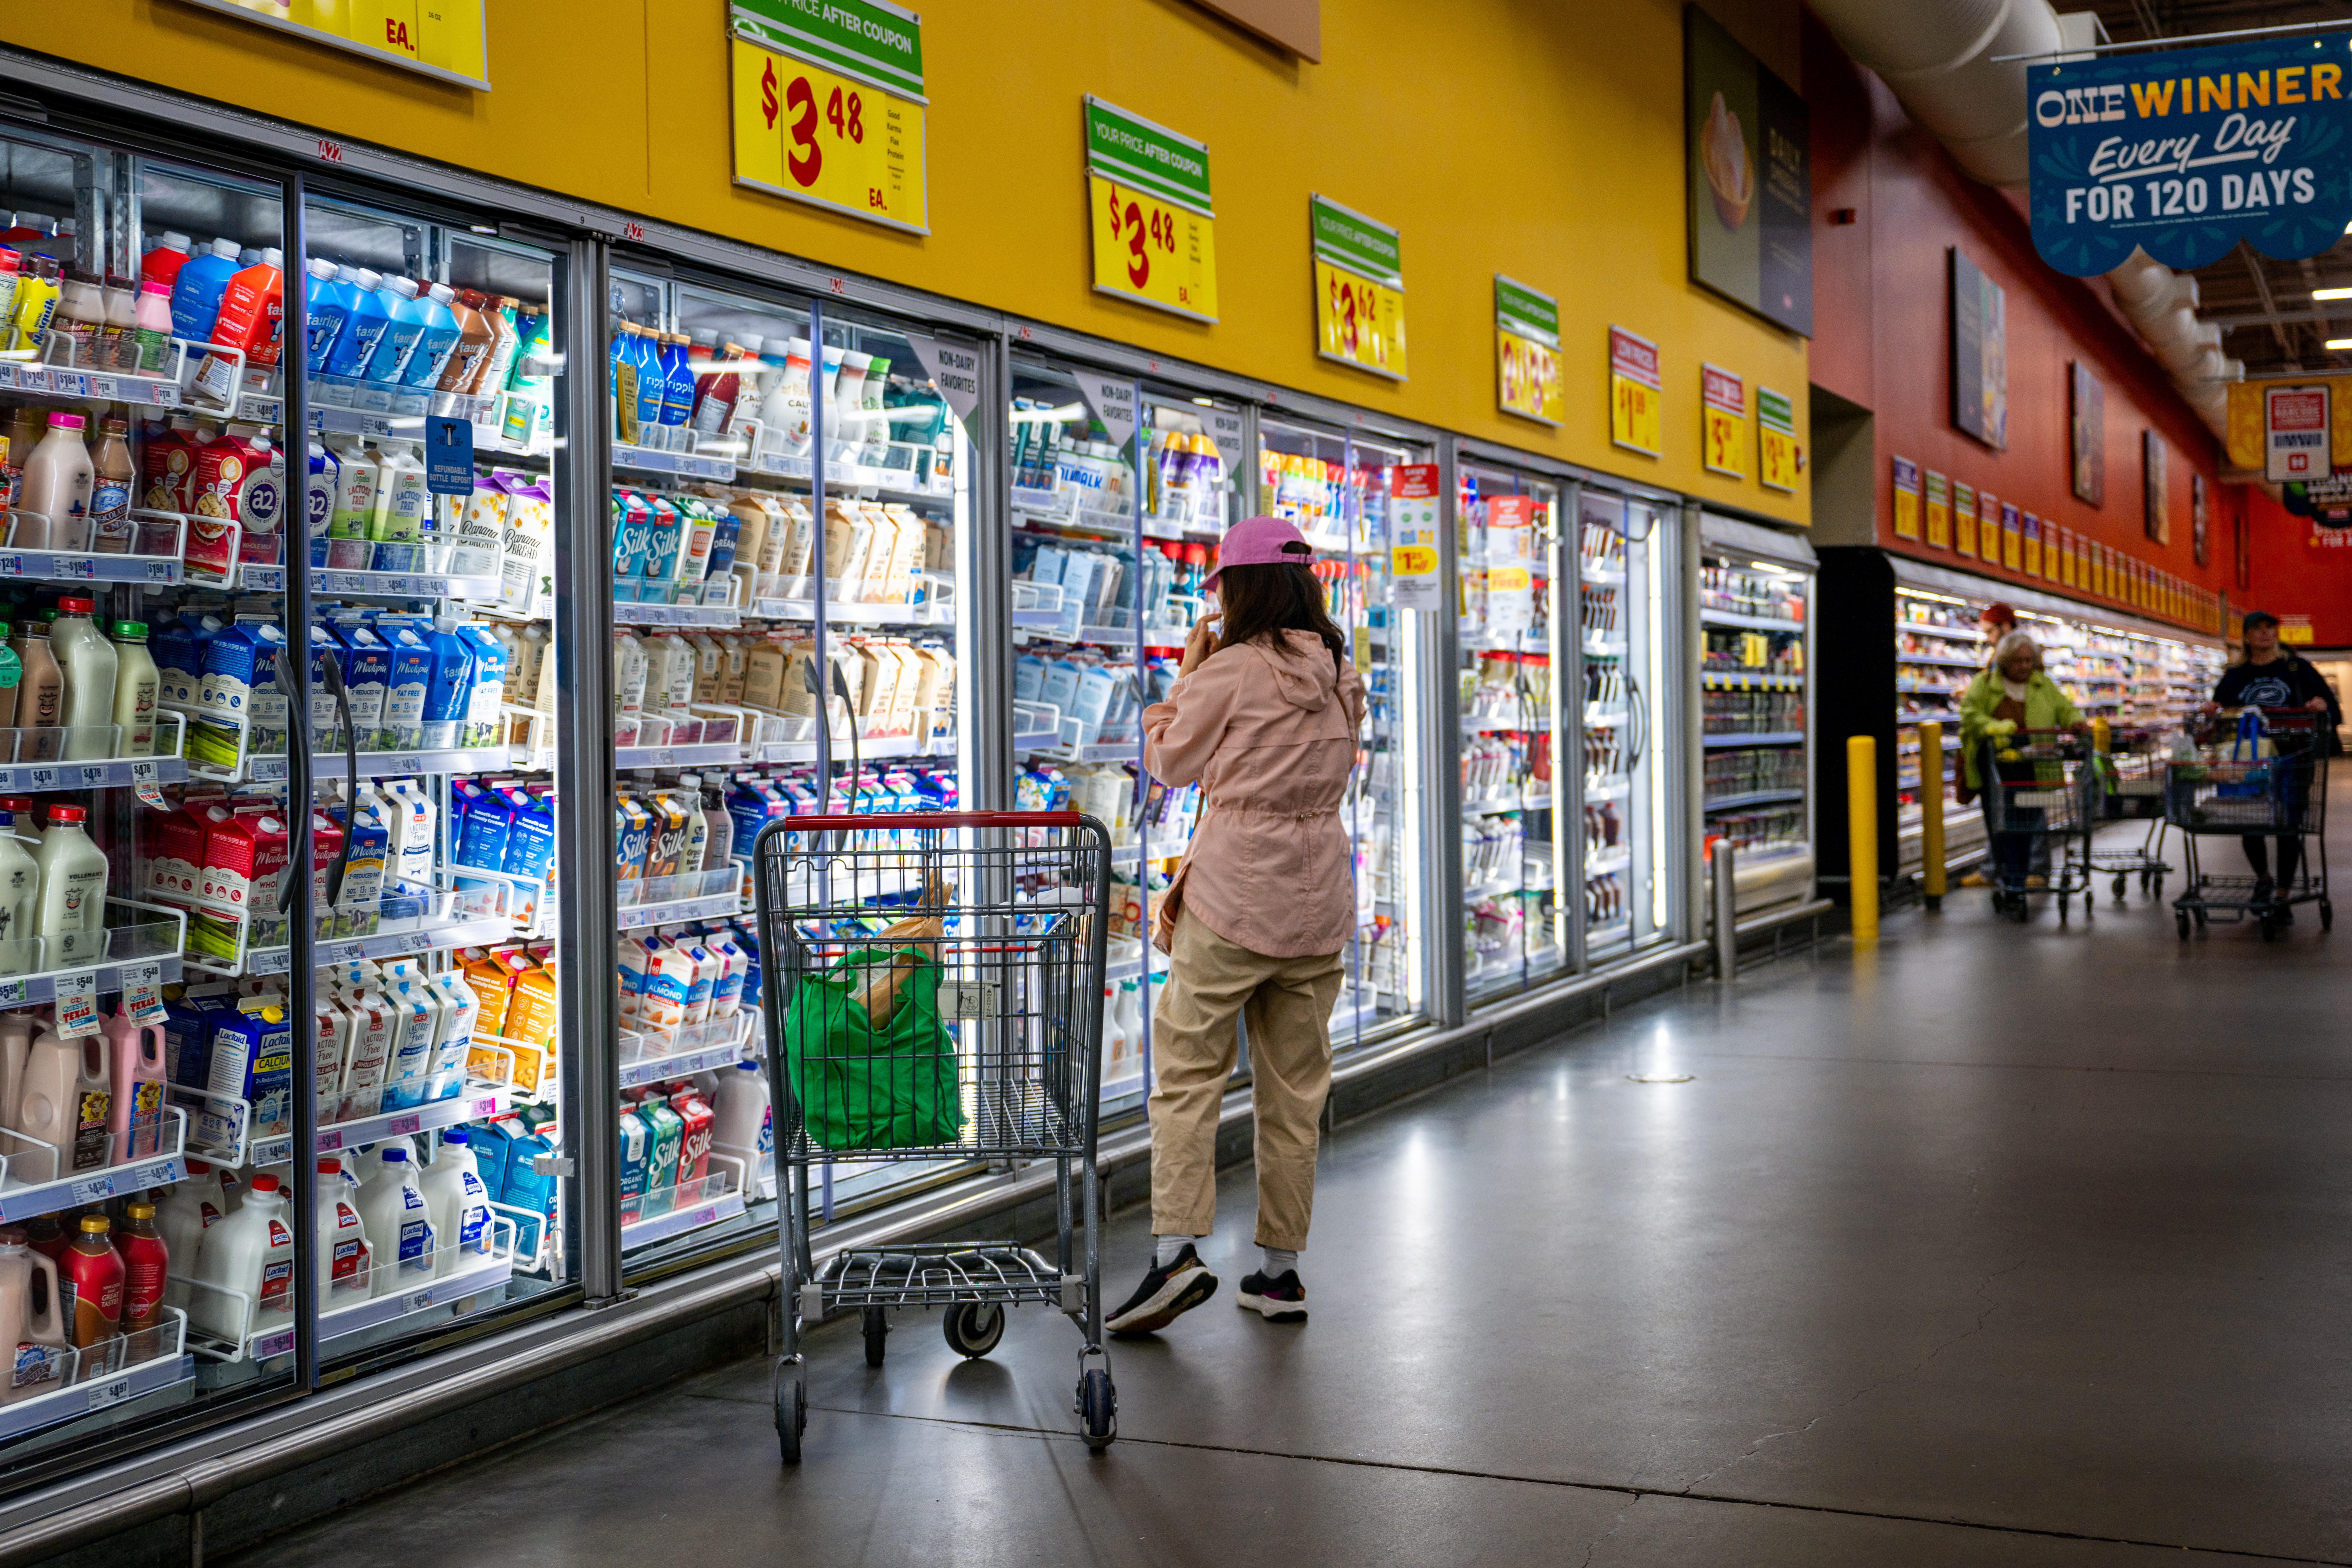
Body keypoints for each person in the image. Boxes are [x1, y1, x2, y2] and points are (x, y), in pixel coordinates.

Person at [1105, 516, 1364, 1335]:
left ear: (1235, 590)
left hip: (1231, 896)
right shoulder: (1338, 668)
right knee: (1294, 1092)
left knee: (1188, 1075)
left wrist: (1181, 683)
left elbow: (1170, 765)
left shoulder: (1229, 671)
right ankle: (1279, 1275)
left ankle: (1175, 1252)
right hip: (1319, 896)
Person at [2200, 609, 2341, 917]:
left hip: (2293, 758)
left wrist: (2319, 706)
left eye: (2270, 629)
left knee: (2289, 826)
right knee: (2250, 822)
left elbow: (2332, 709)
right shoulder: (2235, 675)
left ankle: (2282, 892)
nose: (2265, 634)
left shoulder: (2296, 668)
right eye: (2258, 629)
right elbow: (2219, 718)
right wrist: (2213, 712)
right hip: (2249, 762)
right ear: (2247, 637)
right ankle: (2264, 879)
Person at [1959, 631, 2083, 905]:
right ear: (2005, 660)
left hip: (2034, 767)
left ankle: (2019, 877)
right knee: (2002, 826)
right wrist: (1993, 727)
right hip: (1997, 768)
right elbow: (1969, 713)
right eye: (2019, 661)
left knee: (2028, 823)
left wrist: (2076, 721)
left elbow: (2065, 708)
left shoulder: (2043, 685)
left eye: (2029, 660)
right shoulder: (1986, 683)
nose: (2025, 666)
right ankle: (2011, 877)